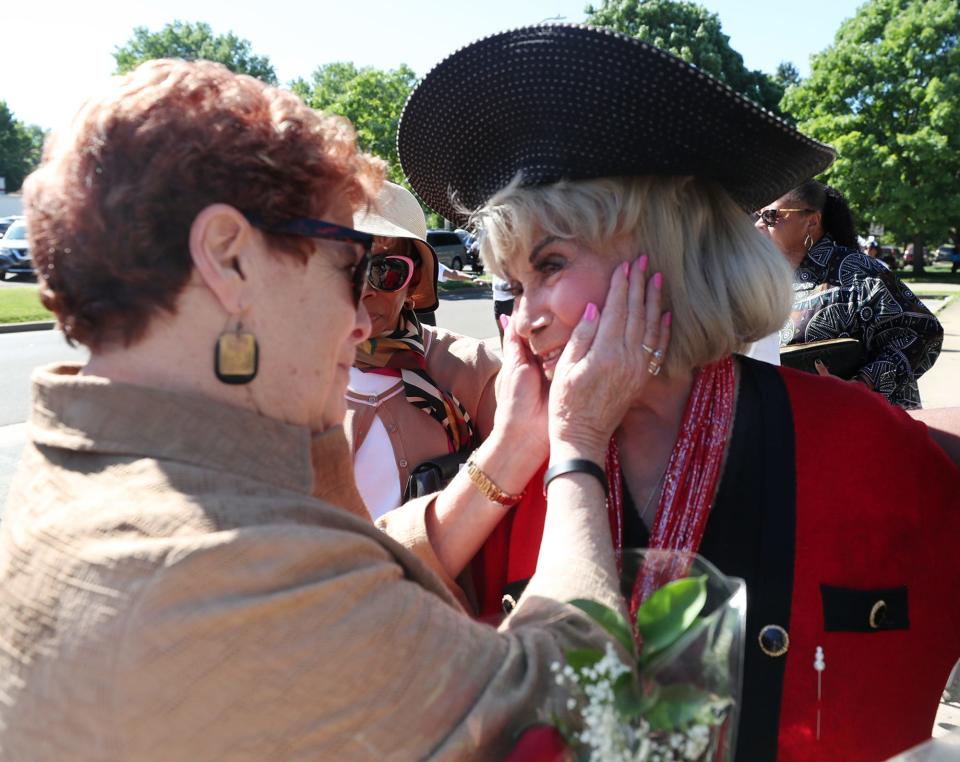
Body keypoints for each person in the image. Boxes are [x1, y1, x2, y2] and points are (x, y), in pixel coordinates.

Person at [0, 58, 671, 759]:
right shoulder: (223, 565)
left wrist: (491, 450)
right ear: (229, 259)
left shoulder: (101, 471)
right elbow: (572, 712)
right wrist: (578, 443)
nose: (361, 318)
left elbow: (363, 561)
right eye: (349, 265)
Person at [396, 25, 960, 762]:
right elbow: (352, 610)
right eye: (513, 285)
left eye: (552, 263)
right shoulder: (505, 482)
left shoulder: (863, 442)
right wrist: (515, 455)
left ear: (662, 249)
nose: (524, 317)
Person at [346, 181, 499, 518]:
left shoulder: (474, 371)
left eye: (385, 270)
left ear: (414, 281)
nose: (363, 290)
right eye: (345, 268)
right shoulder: (284, 375)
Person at [759, 180, 942, 409]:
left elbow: (923, 331)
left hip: (865, 424)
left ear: (812, 221)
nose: (759, 224)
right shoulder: (763, 276)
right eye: (758, 214)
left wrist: (862, 386)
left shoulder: (859, 271)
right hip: (795, 422)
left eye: (770, 215)